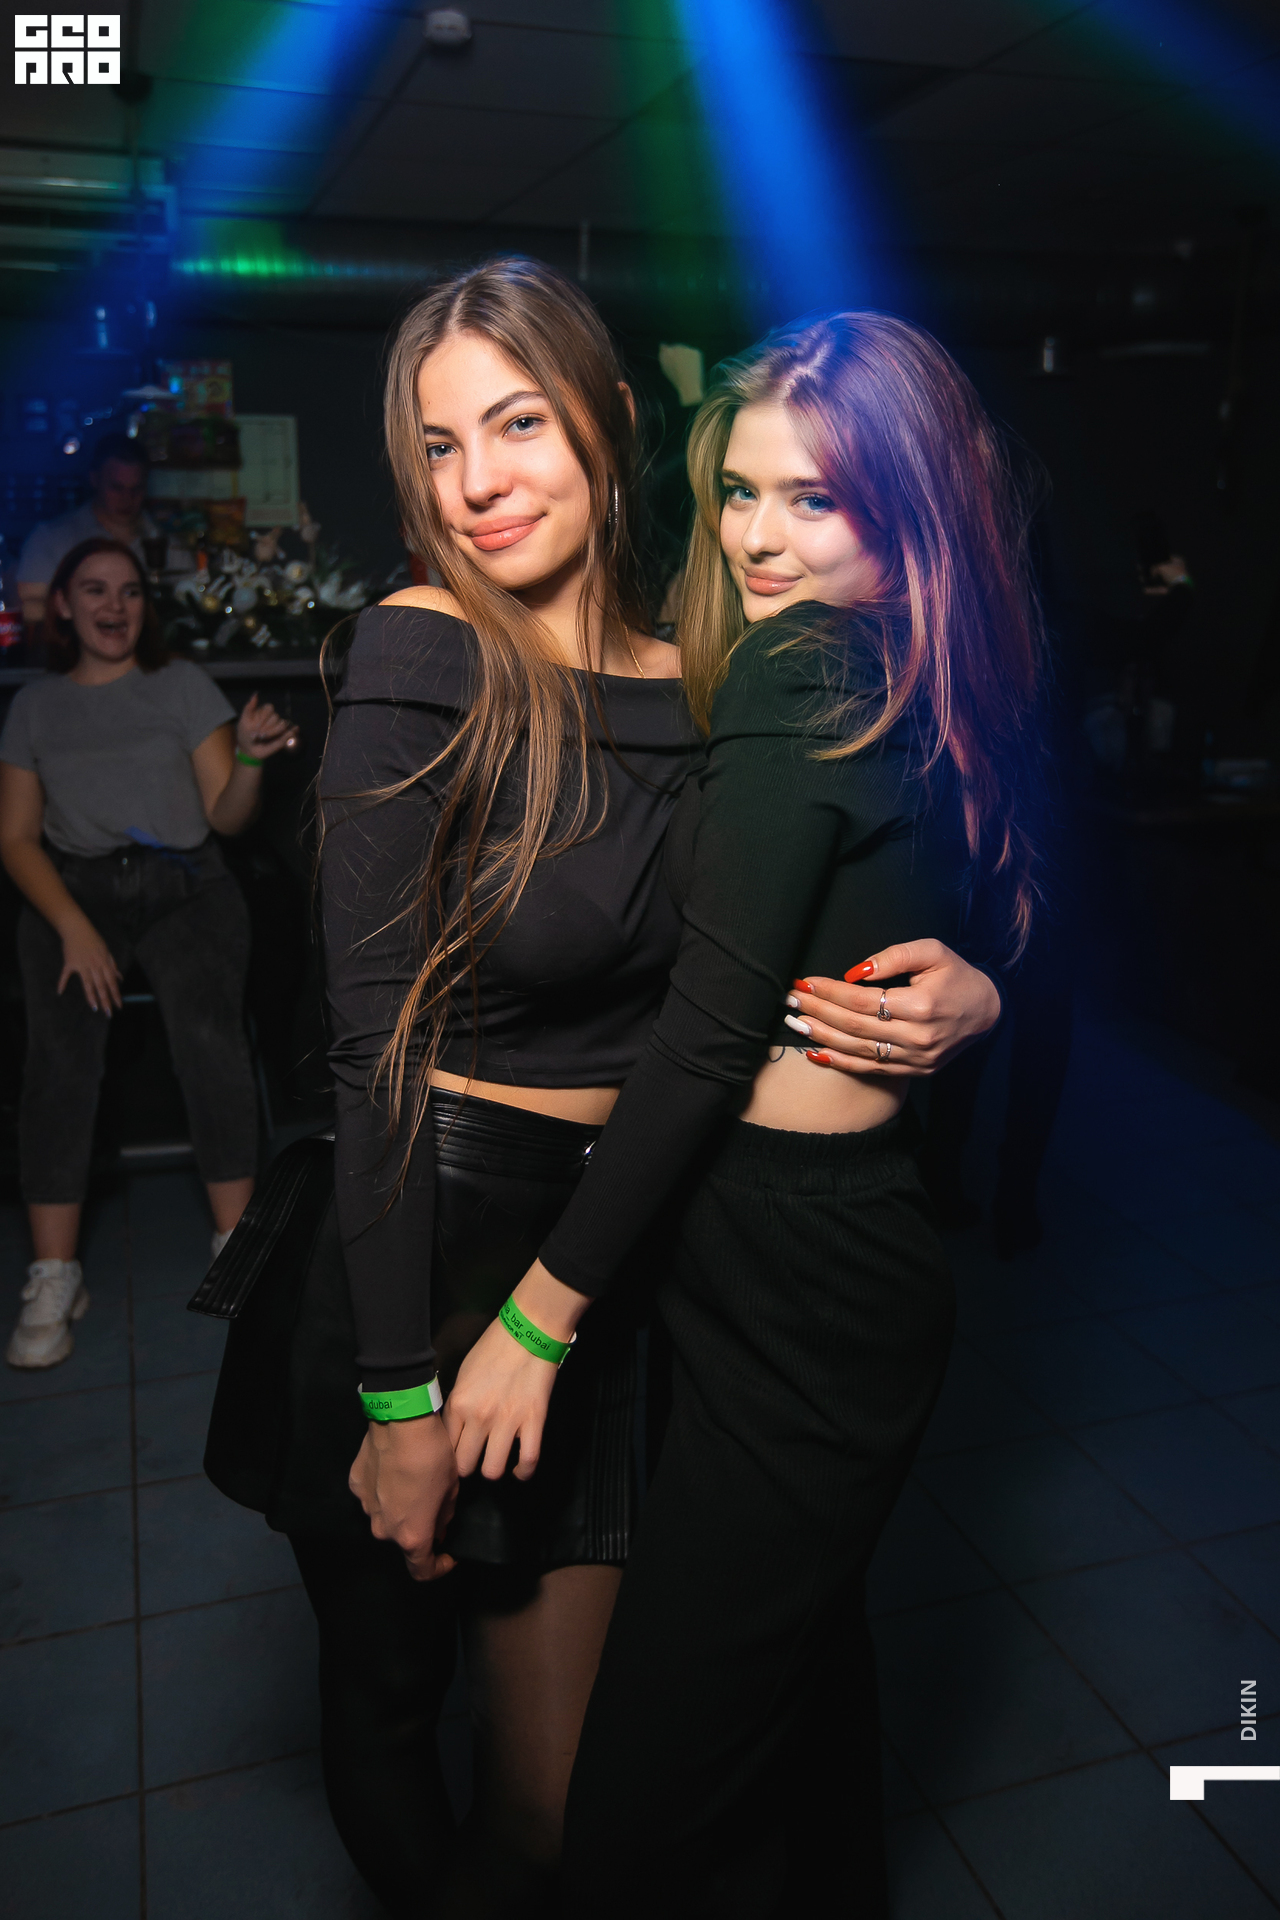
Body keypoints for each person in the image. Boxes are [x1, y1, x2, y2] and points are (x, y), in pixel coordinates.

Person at [297, 259, 1000, 1918]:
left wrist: (980, 989)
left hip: (628, 1269)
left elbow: (802, 911)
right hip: (436, 1253)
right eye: (438, 444)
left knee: (564, 1805)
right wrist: (400, 1395)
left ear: (610, 423)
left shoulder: (708, 655)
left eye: (520, 424)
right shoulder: (419, 648)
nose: (477, 482)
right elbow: (370, 1050)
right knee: (396, 1728)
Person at [0, 538, 296, 1370]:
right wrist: (73, 926)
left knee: (210, 1046)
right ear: (64, 606)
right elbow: (15, 839)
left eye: (129, 591)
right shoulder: (35, 706)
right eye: (95, 590)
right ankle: (54, 1273)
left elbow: (228, 817)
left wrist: (249, 760)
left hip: (185, 883)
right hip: (74, 893)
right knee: (58, 1066)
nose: (114, 605)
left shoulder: (181, 685)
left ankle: (236, 1249)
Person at [16, 432, 157, 633]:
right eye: (116, 488)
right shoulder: (50, 540)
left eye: (136, 489)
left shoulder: (166, 543)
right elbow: (30, 612)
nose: (127, 498)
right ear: (95, 480)